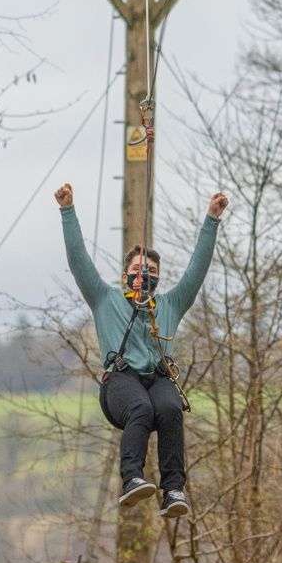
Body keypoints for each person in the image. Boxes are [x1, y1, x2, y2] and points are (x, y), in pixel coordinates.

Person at [56, 182, 227, 518]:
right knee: (141, 407)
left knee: (168, 408)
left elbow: (197, 270)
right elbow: (79, 260)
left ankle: (173, 489)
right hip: (120, 380)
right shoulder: (106, 299)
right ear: (125, 275)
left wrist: (212, 219)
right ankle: (132, 478)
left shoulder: (170, 305)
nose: (144, 278)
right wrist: (67, 211)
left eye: (151, 273)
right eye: (138, 271)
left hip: (157, 377)